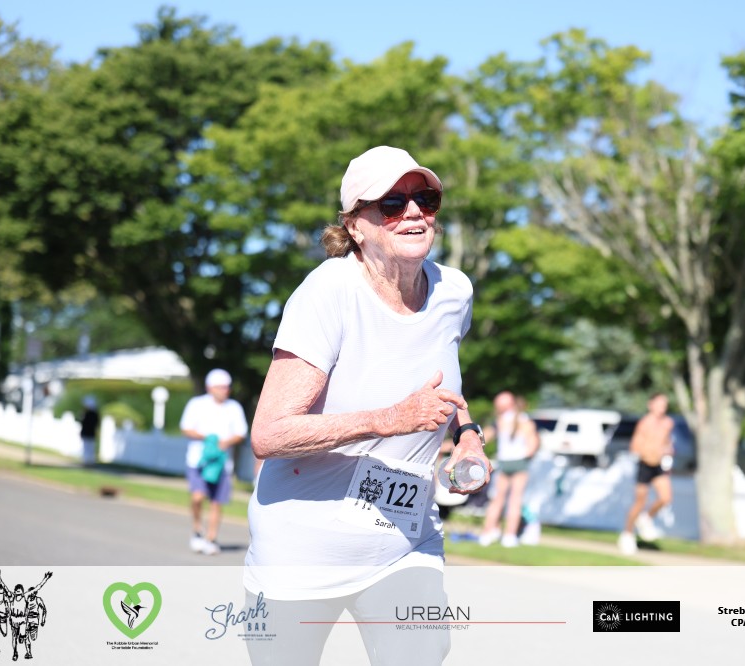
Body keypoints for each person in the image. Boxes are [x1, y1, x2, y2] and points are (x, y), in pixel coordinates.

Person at [245, 145, 490, 666]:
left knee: (421, 651)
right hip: (303, 549)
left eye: (424, 199)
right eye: (391, 204)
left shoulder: (454, 292)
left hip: (404, 541)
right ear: (355, 225)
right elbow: (269, 434)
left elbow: (444, 383)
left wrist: (468, 435)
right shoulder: (327, 293)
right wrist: (389, 420)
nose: (413, 213)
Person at [180, 368, 248, 555]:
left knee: (216, 502)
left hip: (222, 463)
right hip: (198, 461)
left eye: (227, 387)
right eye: (221, 387)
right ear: (210, 388)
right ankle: (197, 530)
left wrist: (225, 442)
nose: (225, 390)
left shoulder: (233, 407)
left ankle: (211, 538)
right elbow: (186, 428)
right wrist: (207, 438)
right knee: (197, 497)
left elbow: (241, 432)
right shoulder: (196, 404)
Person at [479, 391, 539, 547]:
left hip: (505, 462)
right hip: (520, 462)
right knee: (515, 501)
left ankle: (487, 533)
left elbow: (483, 437)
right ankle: (509, 536)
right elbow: (532, 447)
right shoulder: (526, 421)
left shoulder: (500, 421)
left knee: (497, 500)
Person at [618, 392, 674, 554]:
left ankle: (646, 518)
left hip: (659, 465)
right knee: (640, 502)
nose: (662, 407)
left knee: (665, 498)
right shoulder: (645, 423)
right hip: (645, 465)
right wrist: (646, 453)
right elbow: (635, 445)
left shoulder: (668, 423)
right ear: (651, 405)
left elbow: (667, 442)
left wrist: (667, 451)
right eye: (659, 404)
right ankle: (627, 534)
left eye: (664, 404)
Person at [0, 569, 51, 662]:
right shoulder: (11, 596)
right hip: (13, 620)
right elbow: (5, 587)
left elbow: (37, 588)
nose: (18, 592)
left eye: (20, 590)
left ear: (22, 591)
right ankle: (15, 652)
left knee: (22, 636)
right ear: (15, 591)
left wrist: (45, 579)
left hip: (22, 621)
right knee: (14, 638)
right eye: (16, 590)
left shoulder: (25, 596)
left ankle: (22, 636)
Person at [79, 395, 100, 466]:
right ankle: (89, 461)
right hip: (91, 433)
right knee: (89, 448)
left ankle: (88, 461)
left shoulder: (87, 414)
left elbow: (83, 423)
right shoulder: (95, 414)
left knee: (88, 448)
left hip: (88, 433)